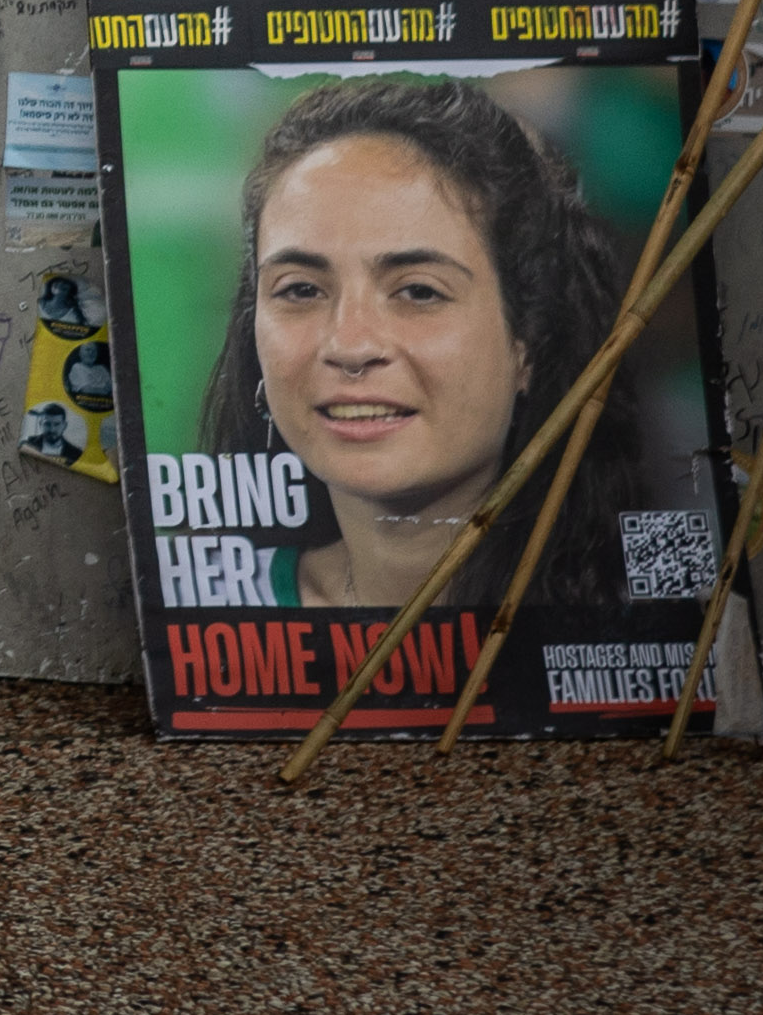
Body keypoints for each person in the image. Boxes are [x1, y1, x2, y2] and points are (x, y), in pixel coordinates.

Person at [197, 74, 678, 616]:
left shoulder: (669, 601)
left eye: (418, 291)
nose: (349, 345)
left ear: (530, 338)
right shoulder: (205, 602)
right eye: (301, 289)